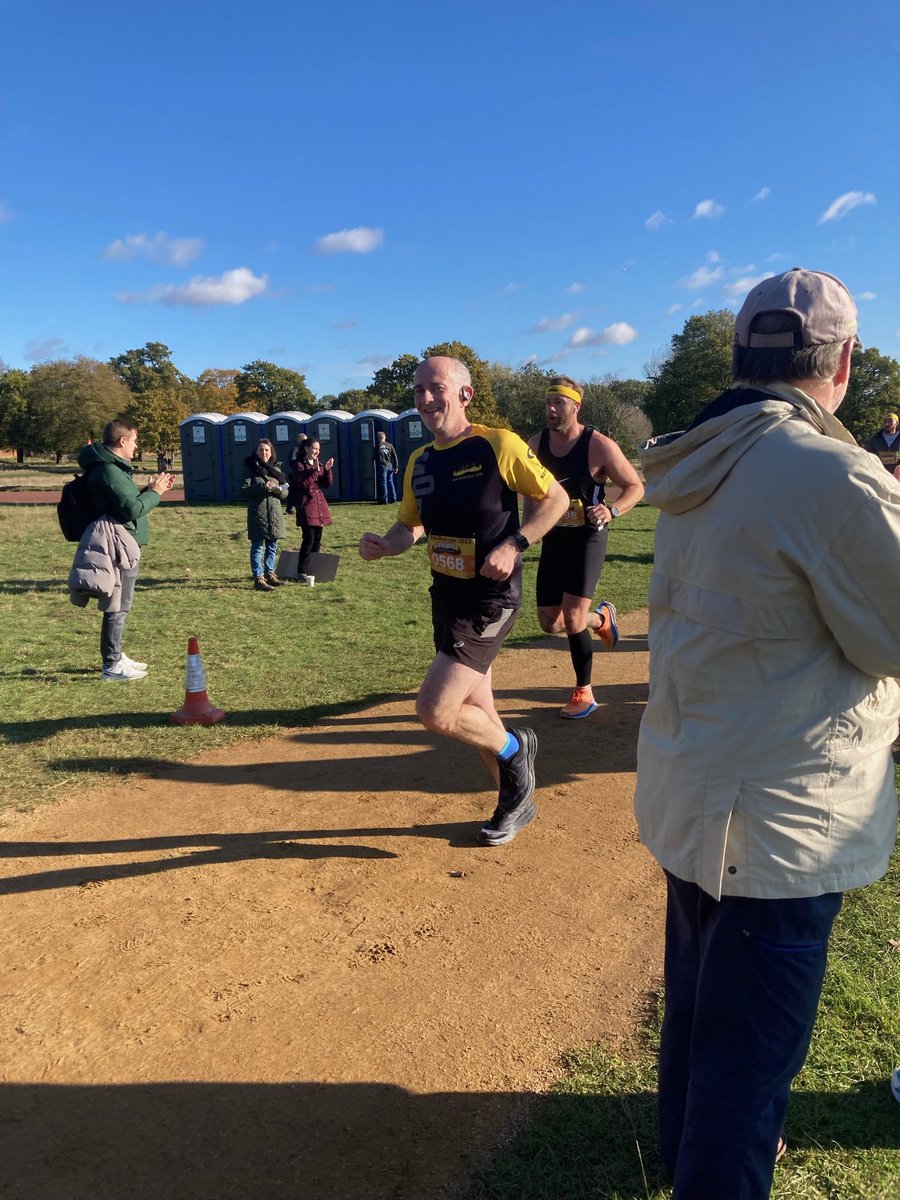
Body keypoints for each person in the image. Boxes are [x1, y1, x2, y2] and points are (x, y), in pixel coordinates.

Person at [635, 268, 900, 1199]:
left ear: (743, 356)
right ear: (844, 362)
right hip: (782, 824)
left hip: (694, 793)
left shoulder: (705, 454)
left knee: (702, 1019)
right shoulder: (830, 474)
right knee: (750, 1069)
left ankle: (682, 1156)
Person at [359, 355, 569, 846]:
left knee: (437, 710)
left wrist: (516, 543)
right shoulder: (420, 461)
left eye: (436, 389)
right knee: (478, 708)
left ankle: (518, 751)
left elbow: (555, 498)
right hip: (446, 595)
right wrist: (386, 545)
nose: (425, 399)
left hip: (490, 598)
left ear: (464, 395)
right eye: (417, 391)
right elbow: (410, 524)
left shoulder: (498, 444)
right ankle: (516, 798)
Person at [525, 376, 644, 718]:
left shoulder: (598, 445)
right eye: (547, 403)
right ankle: (602, 619)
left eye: (557, 403)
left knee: (573, 615)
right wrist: (526, 534)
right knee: (550, 622)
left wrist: (612, 509)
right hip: (554, 537)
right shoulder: (536, 443)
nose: (550, 409)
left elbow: (635, 486)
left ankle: (584, 691)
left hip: (588, 536)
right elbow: (533, 494)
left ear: (575, 406)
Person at [77, 418, 174, 681]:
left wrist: (148, 490)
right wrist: (154, 492)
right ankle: (111, 664)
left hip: (123, 542)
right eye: (134, 440)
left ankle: (116, 654)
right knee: (116, 604)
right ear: (122, 441)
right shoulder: (109, 470)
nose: (136, 445)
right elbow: (130, 510)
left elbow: (123, 503)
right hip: (117, 544)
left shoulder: (113, 468)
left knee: (123, 603)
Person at [240, 438, 289, 591]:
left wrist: (279, 491)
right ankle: (258, 578)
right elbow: (244, 491)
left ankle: (270, 574)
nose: (264, 453)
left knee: (272, 546)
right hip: (258, 514)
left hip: (274, 515)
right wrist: (262, 486)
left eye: (267, 450)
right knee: (257, 547)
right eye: (261, 450)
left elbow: (286, 493)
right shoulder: (250, 469)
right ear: (256, 452)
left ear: (271, 453)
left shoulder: (277, 471)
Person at [292, 436, 334, 585]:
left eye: (318, 449)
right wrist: (316, 471)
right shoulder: (298, 465)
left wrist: (327, 470)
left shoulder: (318, 464)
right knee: (308, 539)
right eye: (314, 448)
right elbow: (303, 484)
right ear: (307, 448)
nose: (317, 451)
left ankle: (314, 569)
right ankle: (302, 571)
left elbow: (326, 484)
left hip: (319, 505)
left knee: (317, 540)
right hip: (307, 506)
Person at [374, 430, 400, 503]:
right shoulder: (390, 445)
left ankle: (384, 500)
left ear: (378, 438)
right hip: (390, 466)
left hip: (382, 466)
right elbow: (394, 456)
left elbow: (374, 457)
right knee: (390, 482)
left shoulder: (377, 446)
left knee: (383, 483)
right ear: (385, 437)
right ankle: (393, 498)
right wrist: (396, 466)